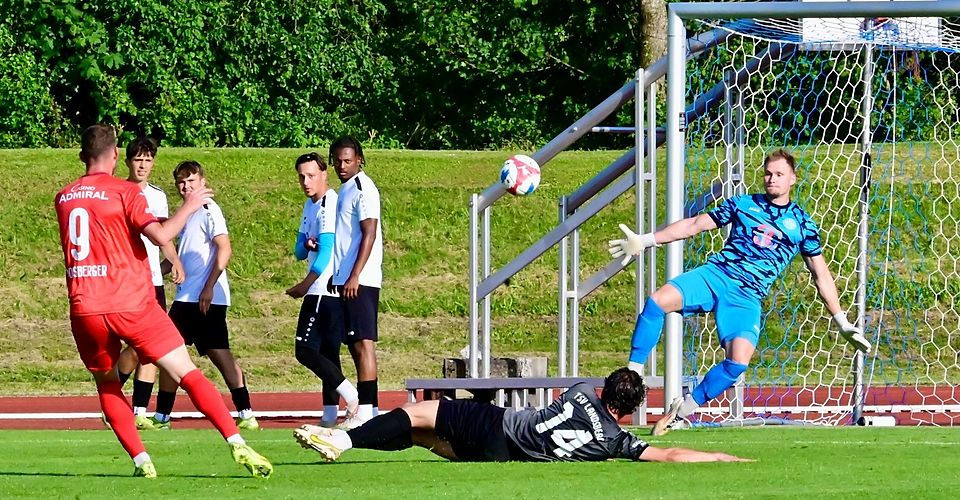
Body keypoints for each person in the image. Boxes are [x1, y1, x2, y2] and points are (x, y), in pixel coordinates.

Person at [54, 124, 272, 478]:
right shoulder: (125, 191)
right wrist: (190, 205)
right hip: (131, 301)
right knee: (186, 371)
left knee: (107, 384)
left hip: (85, 306)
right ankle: (237, 443)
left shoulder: (64, 196)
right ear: (114, 156)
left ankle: (143, 462)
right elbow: (160, 235)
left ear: (82, 156)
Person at [607, 149, 872, 436]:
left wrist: (842, 321)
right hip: (716, 275)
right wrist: (646, 240)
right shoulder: (743, 204)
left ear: (793, 179)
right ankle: (633, 373)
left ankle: (682, 411)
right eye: (768, 173)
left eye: (779, 174)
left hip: (747, 296)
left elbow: (821, 275)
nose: (772, 179)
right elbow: (696, 224)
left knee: (738, 363)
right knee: (657, 302)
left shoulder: (803, 224)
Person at [293, 367, 749, 463]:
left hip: (501, 424)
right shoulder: (615, 442)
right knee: (419, 437)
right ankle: (341, 434)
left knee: (415, 412)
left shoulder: (578, 391)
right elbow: (667, 455)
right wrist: (722, 458)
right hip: (502, 456)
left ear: (603, 389)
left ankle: (343, 439)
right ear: (628, 411)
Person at [143, 161, 259, 430]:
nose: (186, 187)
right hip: (188, 297)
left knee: (184, 353)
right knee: (200, 353)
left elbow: (224, 248)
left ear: (202, 182)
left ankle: (164, 416)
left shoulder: (208, 209)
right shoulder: (189, 212)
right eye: (182, 183)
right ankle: (245, 412)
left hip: (202, 299)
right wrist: (154, 273)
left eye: (191, 181)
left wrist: (208, 287)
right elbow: (179, 257)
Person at [114, 136, 185, 428]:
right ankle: (110, 389)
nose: (143, 165)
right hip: (126, 281)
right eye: (137, 159)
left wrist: (175, 261)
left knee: (151, 348)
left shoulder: (157, 196)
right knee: (134, 347)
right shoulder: (116, 192)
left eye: (148, 159)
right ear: (128, 162)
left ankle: (139, 411)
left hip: (152, 280)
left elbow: (163, 235)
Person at [285, 152, 359, 428]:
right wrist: (308, 244)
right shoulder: (310, 205)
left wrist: (305, 285)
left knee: (304, 349)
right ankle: (330, 414)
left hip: (323, 289)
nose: (306, 182)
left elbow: (326, 251)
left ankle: (353, 397)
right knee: (329, 353)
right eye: (301, 177)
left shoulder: (329, 203)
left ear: (324, 175)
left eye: (311, 176)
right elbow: (298, 251)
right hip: (325, 289)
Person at [329, 136, 383, 428]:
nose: (342, 165)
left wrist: (354, 275)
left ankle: (368, 409)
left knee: (364, 343)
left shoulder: (363, 188)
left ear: (359, 159)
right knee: (352, 343)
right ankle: (367, 407)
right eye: (337, 160)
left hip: (361, 279)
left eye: (347, 160)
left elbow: (369, 233)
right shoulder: (345, 189)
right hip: (346, 278)